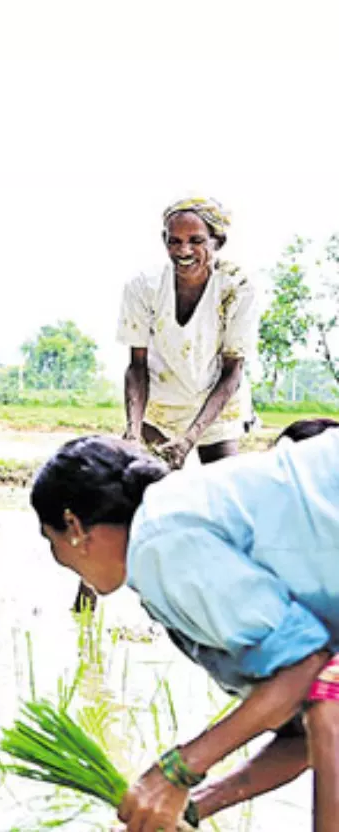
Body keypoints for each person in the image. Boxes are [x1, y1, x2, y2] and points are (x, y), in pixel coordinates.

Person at [31, 434, 339, 832]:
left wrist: (176, 772)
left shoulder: (159, 540)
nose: (57, 557)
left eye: (49, 538)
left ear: (73, 526)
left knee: (329, 705)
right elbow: (298, 734)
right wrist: (186, 809)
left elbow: (304, 668)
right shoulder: (175, 524)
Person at [80, 196, 262, 612]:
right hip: (158, 405)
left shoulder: (237, 287)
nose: (183, 250)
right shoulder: (143, 287)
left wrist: (191, 438)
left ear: (216, 242)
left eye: (195, 240)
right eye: (173, 240)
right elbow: (136, 366)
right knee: (125, 500)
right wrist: (132, 428)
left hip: (218, 406)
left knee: (227, 508)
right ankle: (85, 605)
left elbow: (233, 372)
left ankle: (229, 606)